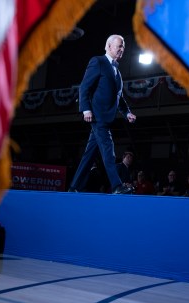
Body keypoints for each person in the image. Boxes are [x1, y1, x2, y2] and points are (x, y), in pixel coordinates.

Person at [67, 34, 136, 194]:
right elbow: (84, 87)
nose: (122, 49)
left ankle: (74, 186)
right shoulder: (97, 62)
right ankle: (117, 186)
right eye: (119, 46)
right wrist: (86, 109)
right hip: (97, 116)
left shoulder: (117, 73)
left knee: (89, 154)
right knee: (108, 149)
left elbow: (119, 97)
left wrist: (127, 113)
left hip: (106, 117)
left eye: (123, 46)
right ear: (109, 46)